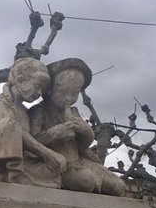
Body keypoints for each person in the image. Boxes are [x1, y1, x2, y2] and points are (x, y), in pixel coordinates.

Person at [28, 58, 127, 196]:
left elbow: (84, 144)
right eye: (63, 93)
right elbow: (30, 144)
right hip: (57, 165)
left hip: (80, 161)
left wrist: (85, 129)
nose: (68, 98)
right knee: (85, 181)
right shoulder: (39, 112)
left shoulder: (73, 112)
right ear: (49, 90)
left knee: (118, 186)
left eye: (74, 94)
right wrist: (54, 133)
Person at [0, 58, 66, 187]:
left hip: (24, 161)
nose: (39, 93)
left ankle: (12, 176)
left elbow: (31, 140)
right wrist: (46, 152)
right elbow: (19, 134)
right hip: (0, 159)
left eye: (42, 91)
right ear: (20, 80)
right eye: (37, 87)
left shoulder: (25, 111)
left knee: (56, 169)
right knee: (9, 124)